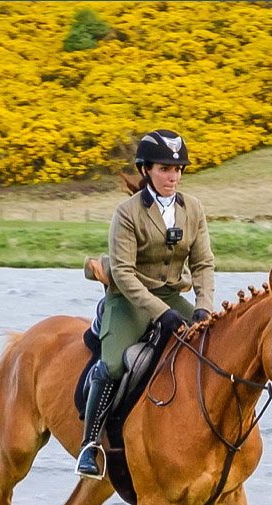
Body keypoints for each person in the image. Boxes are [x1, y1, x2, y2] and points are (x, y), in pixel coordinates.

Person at [76, 129, 216, 478]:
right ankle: (90, 446)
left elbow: (203, 263)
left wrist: (203, 306)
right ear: (146, 171)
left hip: (172, 296)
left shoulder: (193, 208)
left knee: (212, 348)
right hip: (131, 298)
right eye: (164, 169)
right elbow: (122, 273)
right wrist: (161, 313)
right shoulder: (127, 213)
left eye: (178, 169)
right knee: (112, 366)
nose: (173, 176)